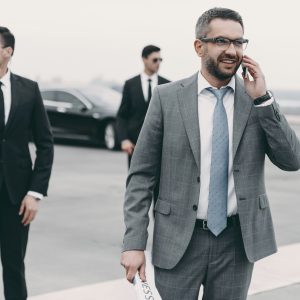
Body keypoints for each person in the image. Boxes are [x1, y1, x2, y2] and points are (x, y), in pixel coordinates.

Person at [120, 7, 300, 300]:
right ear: (199, 46)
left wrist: (264, 101)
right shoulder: (167, 98)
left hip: (236, 244)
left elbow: (293, 160)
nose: (232, 50)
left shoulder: (255, 99)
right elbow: (141, 176)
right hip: (178, 240)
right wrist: (133, 242)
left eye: (239, 42)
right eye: (221, 41)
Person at [0, 27, 54, 300]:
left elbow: (45, 145)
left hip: (16, 196)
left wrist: (35, 193)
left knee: (13, 266)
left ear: (8, 52)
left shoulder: (29, 90)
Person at [116, 45, 169, 168]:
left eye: (160, 60)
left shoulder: (167, 85)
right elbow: (122, 115)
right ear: (144, 59)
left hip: (160, 145)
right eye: (155, 60)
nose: (158, 63)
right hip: (135, 145)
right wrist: (124, 139)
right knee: (135, 182)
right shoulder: (130, 84)